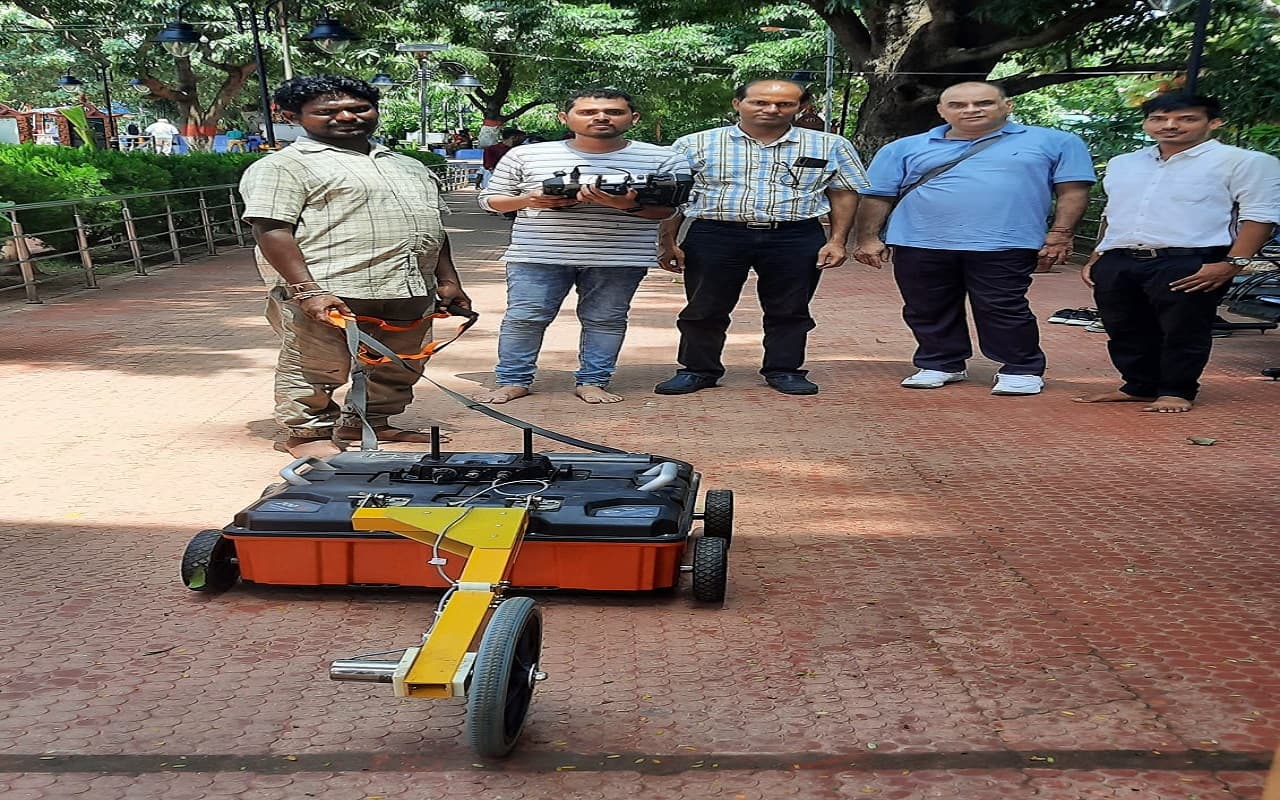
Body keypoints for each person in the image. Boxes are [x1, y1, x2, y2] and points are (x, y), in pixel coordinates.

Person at [238, 75, 470, 458]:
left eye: (359, 108)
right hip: (331, 287)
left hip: (409, 286)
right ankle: (307, 434)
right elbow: (272, 229)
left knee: (399, 365)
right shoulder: (282, 167)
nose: (346, 116)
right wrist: (307, 289)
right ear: (294, 116)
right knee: (316, 366)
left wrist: (448, 280)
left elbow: (434, 226)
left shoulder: (408, 165)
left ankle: (373, 422)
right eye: (327, 111)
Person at [853, 81, 1095, 396]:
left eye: (983, 103)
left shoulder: (1055, 142)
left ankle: (1021, 368)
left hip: (1006, 241)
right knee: (926, 307)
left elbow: (1073, 190)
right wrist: (868, 237)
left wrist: (1060, 235)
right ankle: (941, 362)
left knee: (1002, 306)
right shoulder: (904, 148)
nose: (971, 110)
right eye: (958, 105)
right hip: (919, 241)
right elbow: (878, 195)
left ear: (1007, 106)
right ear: (941, 111)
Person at [653, 79, 868, 396]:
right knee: (704, 307)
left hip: (795, 235)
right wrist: (667, 241)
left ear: (801, 107)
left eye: (785, 104)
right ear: (737, 103)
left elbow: (844, 192)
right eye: (760, 102)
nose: (772, 109)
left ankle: (785, 369)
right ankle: (698, 369)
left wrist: (837, 240)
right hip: (715, 233)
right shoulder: (694, 144)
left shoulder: (830, 146)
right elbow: (673, 196)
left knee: (791, 308)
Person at [1073, 92, 1280, 413]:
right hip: (1119, 259)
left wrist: (1233, 263)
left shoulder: (1245, 162)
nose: (1170, 126)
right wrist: (1098, 256)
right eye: (1158, 118)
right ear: (1147, 123)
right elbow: (1114, 213)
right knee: (1123, 326)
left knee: (1184, 327)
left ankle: (1177, 390)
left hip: (1191, 259)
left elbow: (1260, 216)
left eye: (1186, 118)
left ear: (1214, 122)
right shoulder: (1124, 163)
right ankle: (1139, 386)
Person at [474, 88, 675, 405]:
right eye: (588, 112)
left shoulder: (662, 158)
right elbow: (489, 201)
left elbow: (669, 211)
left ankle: (594, 381)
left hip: (620, 257)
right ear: (564, 118)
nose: (601, 117)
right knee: (525, 317)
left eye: (613, 111)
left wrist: (625, 204)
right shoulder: (526, 155)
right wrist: (531, 199)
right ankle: (513, 380)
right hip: (538, 254)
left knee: (605, 319)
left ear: (633, 118)